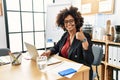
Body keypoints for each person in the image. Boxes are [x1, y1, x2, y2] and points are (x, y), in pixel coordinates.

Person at [41, 6, 94, 80]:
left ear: (76, 21)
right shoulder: (65, 35)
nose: (68, 23)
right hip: (64, 70)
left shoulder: (84, 36)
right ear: (63, 24)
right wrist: (49, 52)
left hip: (79, 72)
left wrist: (84, 40)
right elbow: (56, 47)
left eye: (71, 21)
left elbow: (89, 61)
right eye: (66, 22)